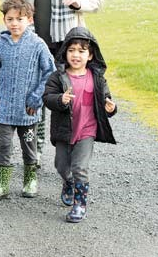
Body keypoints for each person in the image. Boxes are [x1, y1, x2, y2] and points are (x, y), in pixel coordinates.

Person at [15, 0, 105, 153]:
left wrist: (78, 2)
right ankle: (35, 149)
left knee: (66, 97)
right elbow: (16, 3)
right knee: (35, 96)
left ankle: (67, 146)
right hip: (33, 42)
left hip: (66, 45)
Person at [0, 0, 55, 201]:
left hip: (28, 111)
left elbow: (50, 73)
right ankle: (2, 183)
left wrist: (36, 98)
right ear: (4, 20)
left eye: (20, 19)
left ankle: (30, 179)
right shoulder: (0, 44)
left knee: (28, 146)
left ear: (30, 20)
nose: (15, 23)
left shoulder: (38, 44)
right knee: (4, 146)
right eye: (10, 19)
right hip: (4, 110)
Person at [43, 27, 117, 223]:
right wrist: (60, 99)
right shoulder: (58, 76)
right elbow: (47, 98)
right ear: (65, 52)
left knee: (80, 167)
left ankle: (80, 204)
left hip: (87, 130)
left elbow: (106, 100)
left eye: (82, 51)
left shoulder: (97, 78)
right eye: (72, 50)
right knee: (61, 165)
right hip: (64, 130)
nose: (76, 55)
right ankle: (68, 182)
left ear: (91, 55)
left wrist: (111, 107)